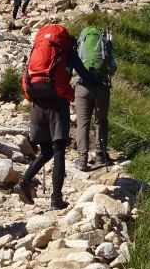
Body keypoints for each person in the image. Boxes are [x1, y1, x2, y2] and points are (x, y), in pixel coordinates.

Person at [16, 24, 96, 210]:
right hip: (57, 104)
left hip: (36, 103)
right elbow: (85, 76)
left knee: (45, 151)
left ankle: (24, 182)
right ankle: (56, 199)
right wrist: (94, 80)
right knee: (59, 150)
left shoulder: (41, 50)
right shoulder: (68, 51)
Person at [73, 25, 117, 170]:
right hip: (102, 87)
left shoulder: (81, 42)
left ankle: (82, 159)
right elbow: (112, 69)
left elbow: (73, 66)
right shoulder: (106, 43)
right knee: (101, 121)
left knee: (83, 123)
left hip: (83, 86)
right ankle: (100, 155)